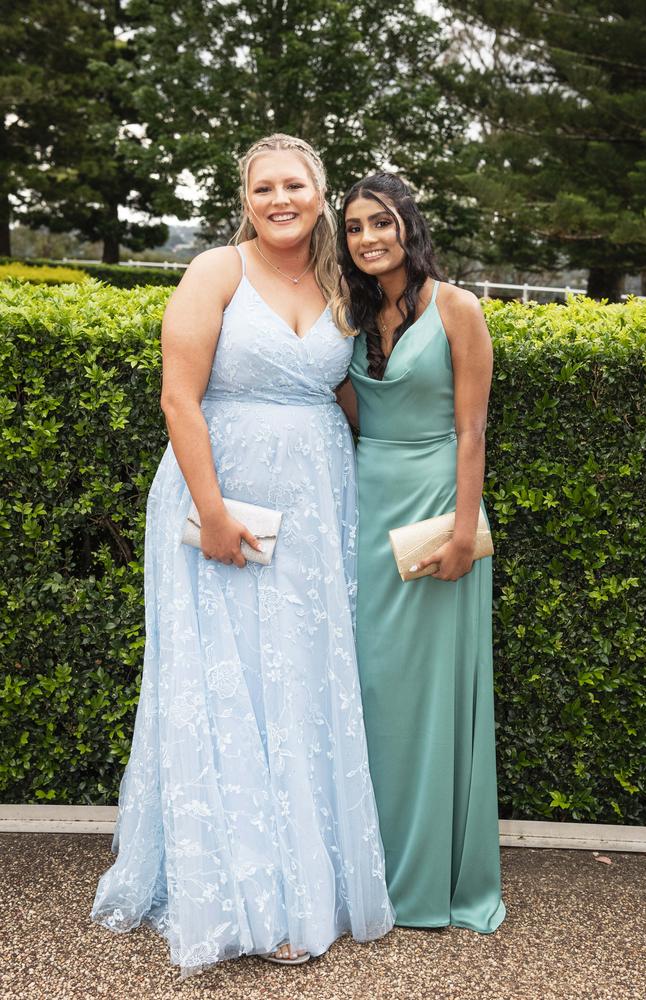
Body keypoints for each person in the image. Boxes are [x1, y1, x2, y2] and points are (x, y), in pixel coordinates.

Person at [91, 136, 394, 978]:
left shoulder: (343, 285)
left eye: (295, 184)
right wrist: (213, 513)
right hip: (220, 497)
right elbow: (177, 396)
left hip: (320, 502)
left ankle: (305, 885)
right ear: (246, 197)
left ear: (322, 192)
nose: (280, 198)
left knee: (300, 681)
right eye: (264, 188)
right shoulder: (216, 271)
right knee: (227, 682)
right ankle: (245, 898)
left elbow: (351, 395)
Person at [333, 172, 506, 933]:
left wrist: (464, 530)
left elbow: (472, 430)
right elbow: (344, 414)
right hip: (366, 510)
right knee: (369, 688)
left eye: (381, 223)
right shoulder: (350, 317)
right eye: (354, 228)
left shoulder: (458, 307)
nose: (368, 238)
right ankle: (367, 866)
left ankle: (430, 879)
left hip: (439, 512)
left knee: (428, 697)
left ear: (408, 225)